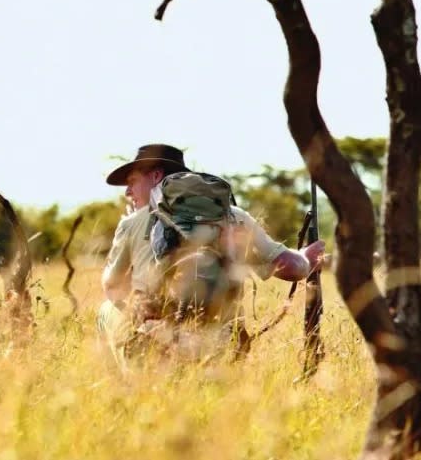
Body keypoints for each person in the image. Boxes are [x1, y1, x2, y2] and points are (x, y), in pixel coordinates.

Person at [96, 144, 325, 366]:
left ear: (156, 176)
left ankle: (119, 392)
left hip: (158, 345)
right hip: (223, 346)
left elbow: (113, 287)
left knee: (105, 310)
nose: (127, 192)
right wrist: (306, 257)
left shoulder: (132, 222)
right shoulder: (234, 215)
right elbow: (291, 267)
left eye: (132, 182)